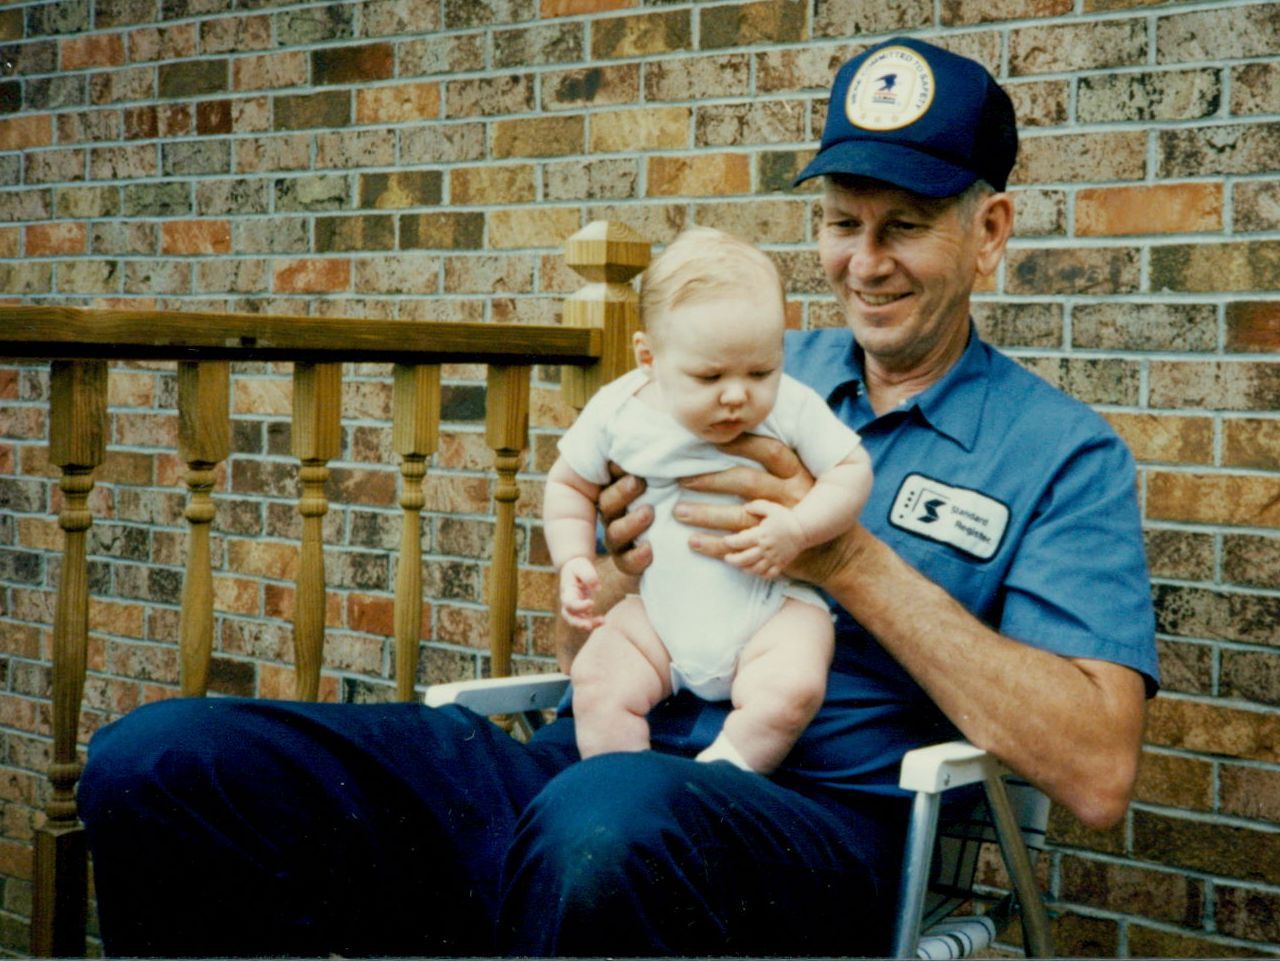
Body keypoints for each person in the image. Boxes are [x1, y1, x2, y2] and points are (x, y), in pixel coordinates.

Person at [77, 36, 1159, 958]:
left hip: (807, 828)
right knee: (165, 761)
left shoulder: (1059, 454)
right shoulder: (732, 369)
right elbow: (585, 631)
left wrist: (847, 561)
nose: (862, 263)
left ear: (990, 231)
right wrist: (613, 572)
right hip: (589, 766)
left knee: (604, 820)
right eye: (842, 222)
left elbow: (1097, 769)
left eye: (904, 225)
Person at [545, 226, 873, 773]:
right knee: (597, 678)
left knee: (793, 684)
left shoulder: (789, 406)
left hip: (770, 610)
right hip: (658, 615)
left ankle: (724, 772)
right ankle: (621, 779)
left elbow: (851, 470)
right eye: (709, 375)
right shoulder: (618, 411)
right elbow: (567, 485)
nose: (738, 395)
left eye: (761, 371)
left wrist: (799, 529)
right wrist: (574, 558)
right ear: (648, 357)